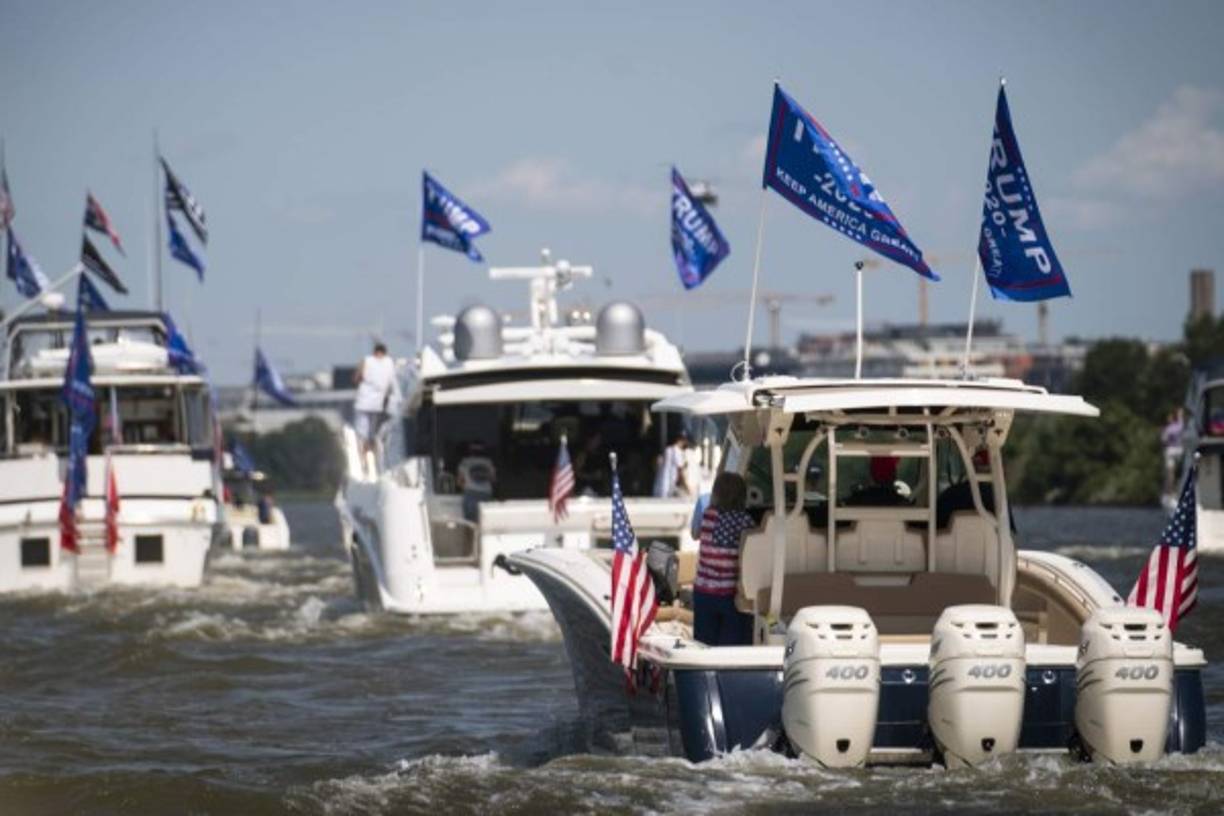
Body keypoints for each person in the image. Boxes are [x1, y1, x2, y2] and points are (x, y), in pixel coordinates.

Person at [693, 472, 756, 646]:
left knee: (704, 645)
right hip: (730, 596)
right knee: (731, 648)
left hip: (703, 592)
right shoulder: (745, 521)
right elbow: (751, 553)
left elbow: (694, 534)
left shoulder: (707, 515)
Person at [352, 342, 400, 469]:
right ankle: (375, 460)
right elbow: (391, 384)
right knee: (372, 433)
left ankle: (363, 462)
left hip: (363, 402)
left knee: (361, 434)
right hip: (377, 404)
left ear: (375, 352)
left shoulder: (367, 360)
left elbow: (356, 378)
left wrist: (360, 380)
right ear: (385, 352)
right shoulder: (390, 363)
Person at [653, 431, 690, 498]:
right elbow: (680, 472)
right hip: (668, 488)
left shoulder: (667, 450)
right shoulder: (677, 452)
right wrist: (688, 488)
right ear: (683, 440)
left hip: (659, 487)